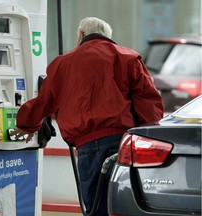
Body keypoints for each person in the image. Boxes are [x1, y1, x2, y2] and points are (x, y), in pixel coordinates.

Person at [10, 17, 164, 216]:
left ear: (81, 35)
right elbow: (149, 103)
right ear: (108, 38)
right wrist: (147, 137)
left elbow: (44, 101)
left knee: (96, 207)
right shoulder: (128, 57)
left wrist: (26, 124)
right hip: (123, 143)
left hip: (88, 147)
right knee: (125, 205)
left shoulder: (62, 64)